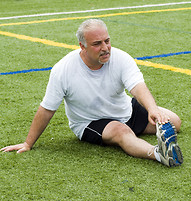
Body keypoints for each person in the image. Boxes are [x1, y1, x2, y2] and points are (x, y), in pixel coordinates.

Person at [1, 19, 183, 167]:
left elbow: (137, 87)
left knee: (174, 121)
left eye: (107, 41)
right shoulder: (63, 69)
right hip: (90, 122)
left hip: (124, 110)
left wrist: (153, 110)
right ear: (83, 46)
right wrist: (28, 143)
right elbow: (47, 109)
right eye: (97, 44)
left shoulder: (121, 58)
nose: (105, 48)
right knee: (121, 131)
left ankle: (137, 134)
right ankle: (159, 154)